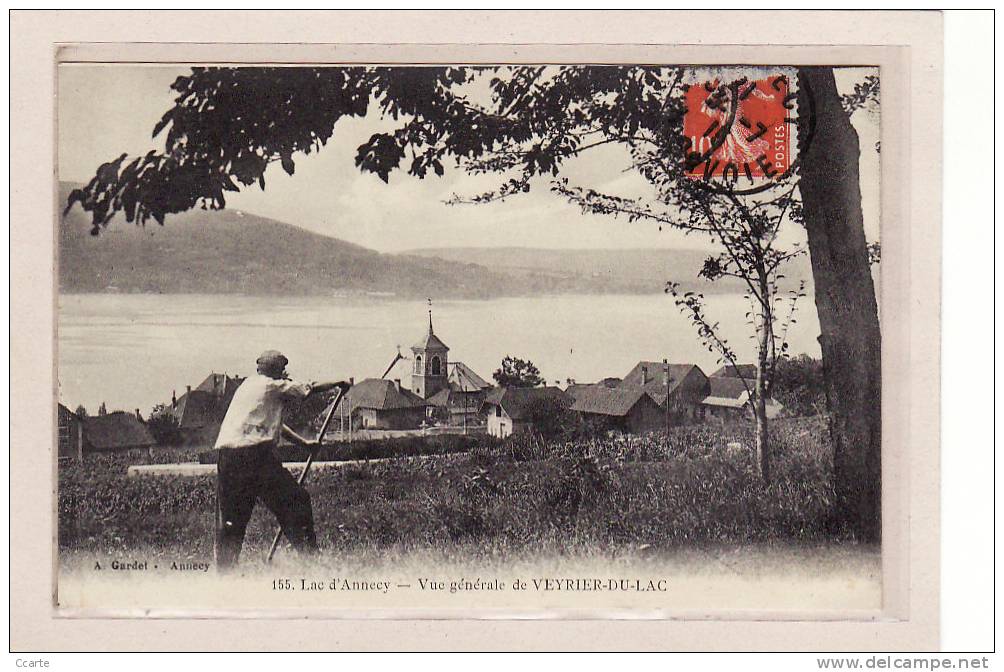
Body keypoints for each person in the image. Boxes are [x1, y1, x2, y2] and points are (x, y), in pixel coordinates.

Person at [213, 350, 349, 571]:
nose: (285, 374)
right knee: (295, 501)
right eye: (282, 370)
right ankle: (311, 560)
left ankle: (225, 573)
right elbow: (308, 388)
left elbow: (276, 426)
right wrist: (338, 383)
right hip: (254, 458)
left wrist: (304, 444)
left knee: (231, 520)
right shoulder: (271, 385)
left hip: (228, 459)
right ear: (275, 371)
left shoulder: (248, 386)